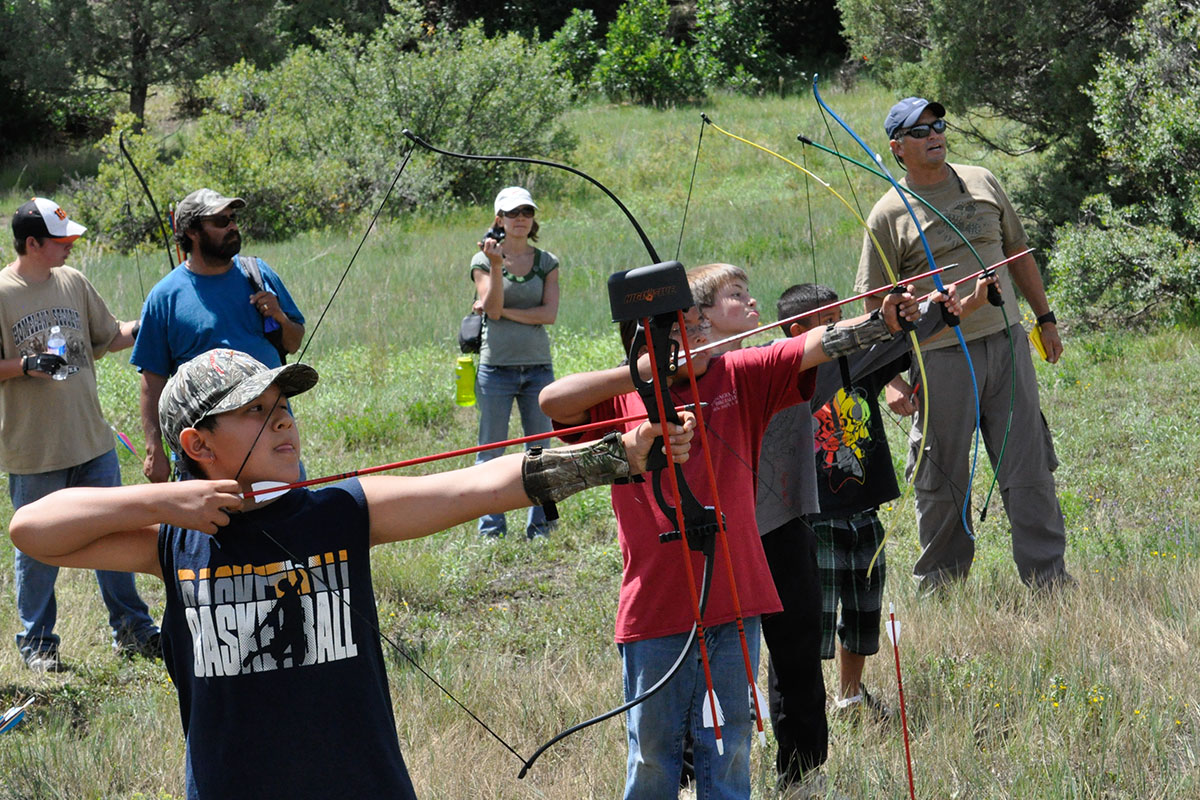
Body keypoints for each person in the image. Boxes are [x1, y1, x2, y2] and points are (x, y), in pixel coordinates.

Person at [8, 347, 693, 799]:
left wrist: (615, 457)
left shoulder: (341, 509)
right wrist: (162, 499)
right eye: (256, 411)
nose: (284, 423)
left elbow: (478, 489)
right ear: (197, 443)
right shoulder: (175, 539)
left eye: (285, 406)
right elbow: (34, 529)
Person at [538, 267, 924, 800]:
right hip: (654, 608)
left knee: (730, 746)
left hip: (732, 601)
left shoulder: (738, 372)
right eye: (685, 331)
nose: (700, 339)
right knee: (653, 757)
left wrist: (877, 321)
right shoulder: (620, 400)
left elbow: (812, 344)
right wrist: (645, 375)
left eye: (701, 326)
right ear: (644, 341)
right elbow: (553, 401)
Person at [856, 97, 1072, 591]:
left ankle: (1050, 583)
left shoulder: (982, 180)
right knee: (942, 478)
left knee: (1028, 466)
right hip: (938, 361)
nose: (934, 134)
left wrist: (1045, 318)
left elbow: (1018, 252)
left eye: (938, 125)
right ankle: (942, 590)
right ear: (898, 147)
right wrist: (889, 379)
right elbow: (874, 306)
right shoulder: (888, 214)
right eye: (919, 130)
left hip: (1008, 343)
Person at [1, 197, 159, 671]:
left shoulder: (73, 282)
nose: (70, 247)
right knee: (39, 550)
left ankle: (133, 631)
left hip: (92, 442)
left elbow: (107, 337)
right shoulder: (2, 293)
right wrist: (26, 366)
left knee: (116, 535)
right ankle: (37, 645)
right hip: (35, 449)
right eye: (61, 240)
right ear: (32, 243)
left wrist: (151, 320)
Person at [131, 188, 305, 484]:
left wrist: (278, 315)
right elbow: (152, 380)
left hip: (271, 437)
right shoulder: (165, 296)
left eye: (233, 218)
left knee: (291, 521)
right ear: (192, 232)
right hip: (207, 453)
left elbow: (294, 341)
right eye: (221, 221)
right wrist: (154, 449)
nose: (232, 226)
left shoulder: (257, 273)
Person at [469, 186, 561, 539]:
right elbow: (490, 309)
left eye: (527, 212)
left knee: (541, 452)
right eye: (513, 213)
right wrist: (496, 266)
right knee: (490, 451)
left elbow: (548, 314)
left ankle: (543, 526)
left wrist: (503, 311)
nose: (520, 218)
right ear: (500, 220)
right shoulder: (482, 261)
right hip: (496, 369)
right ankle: (491, 530)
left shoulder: (546, 262)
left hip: (538, 367)